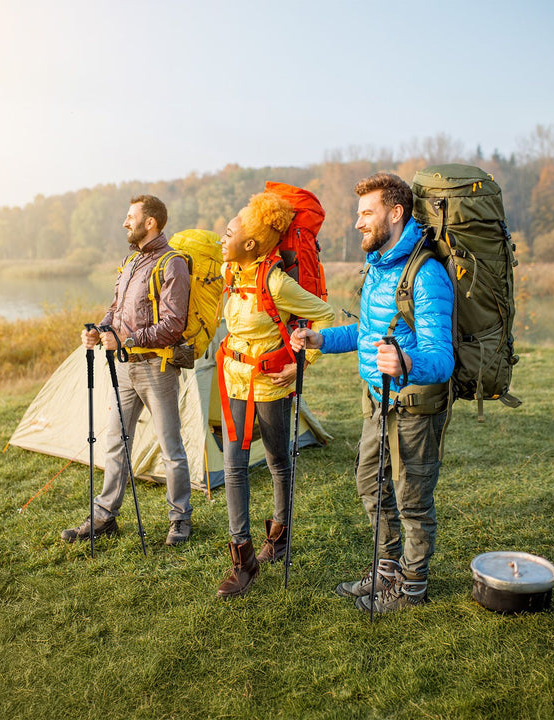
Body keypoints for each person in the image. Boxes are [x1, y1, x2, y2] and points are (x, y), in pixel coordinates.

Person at [291, 173, 454, 614]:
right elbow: (367, 333)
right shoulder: (380, 268)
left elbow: (443, 358)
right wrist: (321, 340)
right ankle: (386, 574)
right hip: (377, 401)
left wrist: (408, 363)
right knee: (369, 484)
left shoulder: (427, 275)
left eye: (366, 213)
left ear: (395, 213)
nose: (357, 222)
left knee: (412, 499)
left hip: (415, 407)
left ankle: (412, 589)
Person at [215, 191, 335, 599]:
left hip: (269, 385)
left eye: (228, 232)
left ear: (250, 243)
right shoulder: (231, 270)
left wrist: (300, 366)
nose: (222, 237)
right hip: (233, 380)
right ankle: (243, 559)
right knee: (234, 465)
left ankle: (279, 537)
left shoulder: (276, 281)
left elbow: (324, 314)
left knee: (277, 459)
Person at [61, 194, 194, 547]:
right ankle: (104, 518)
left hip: (156, 368)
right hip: (124, 370)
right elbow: (117, 308)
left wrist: (127, 340)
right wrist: (101, 329)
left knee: (171, 447)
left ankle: (180, 519)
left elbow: (173, 325)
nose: (125, 222)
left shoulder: (173, 264)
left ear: (150, 222)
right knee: (115, 444)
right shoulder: (131, 262)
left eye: (130, 216)